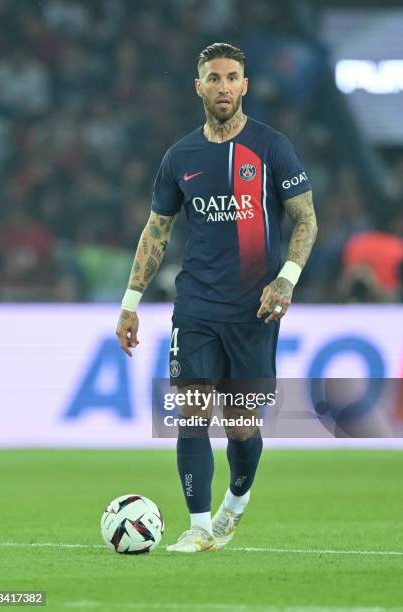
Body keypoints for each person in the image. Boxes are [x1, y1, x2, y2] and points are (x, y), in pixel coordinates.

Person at [116, 43, 317, 553]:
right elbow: (156, 231)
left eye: (232, 77)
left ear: (244, 85)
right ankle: (200, 526)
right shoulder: (180, 157)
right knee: (191, 414)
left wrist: (287, 278)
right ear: (199, 86)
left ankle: (235, 504)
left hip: (254, 308)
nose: (223, 86)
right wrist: (130, 303)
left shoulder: (272, 148)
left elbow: (306, 218)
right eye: (214, 77)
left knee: (243, 428)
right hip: (197, 307)